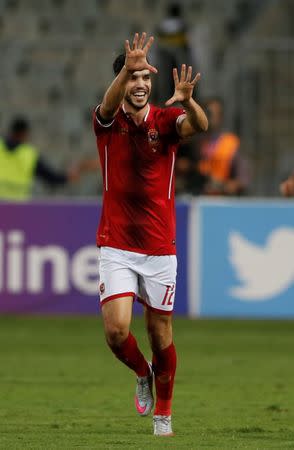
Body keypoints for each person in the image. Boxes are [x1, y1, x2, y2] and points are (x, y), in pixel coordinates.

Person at [92, 32, 208, 436]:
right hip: (117, 242)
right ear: (122, 82)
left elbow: (199, 124)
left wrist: (190, 100)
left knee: (161, 335)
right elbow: (107, 105)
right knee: (117, 330)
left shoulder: (164, 121)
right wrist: (125, 68)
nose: (140, 84)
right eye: (133, 77)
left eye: (145, 77)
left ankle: (164, 416)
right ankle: (142, 373)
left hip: (160, 246)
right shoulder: (106, 122)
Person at [176, 97, 249, 195]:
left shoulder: (231, 143)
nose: (209, 117)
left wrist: (227, 186)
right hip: (195, 196)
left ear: (220, 117)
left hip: (221, 199)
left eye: (212, 114)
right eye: (206, 113)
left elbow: (242, 180)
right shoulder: (191, 141)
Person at [0, 117, 80, 200]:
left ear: (11, 131)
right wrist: (68, 177)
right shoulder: (29, 154)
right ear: (25, 133)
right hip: (17, 206)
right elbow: (50, 177)